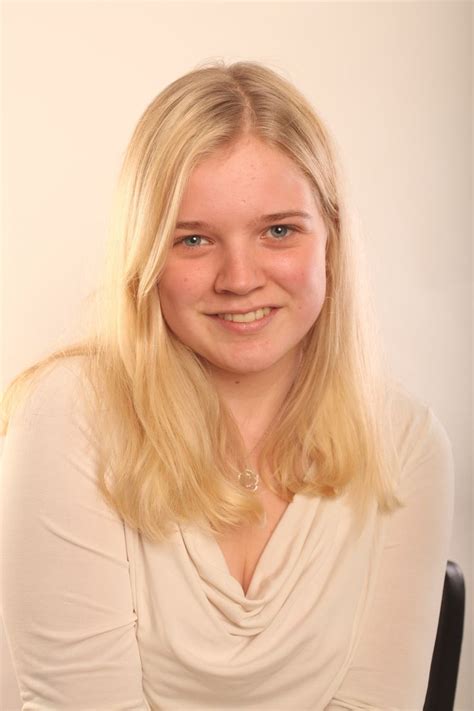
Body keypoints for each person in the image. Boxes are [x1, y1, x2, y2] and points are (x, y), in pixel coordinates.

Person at [0, 60, 454, 710]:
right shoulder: (70, 417)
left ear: (331, 237)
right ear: (146, 256)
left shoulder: (407, 445)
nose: (239, 277)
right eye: (193, 239)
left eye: (278, 230)